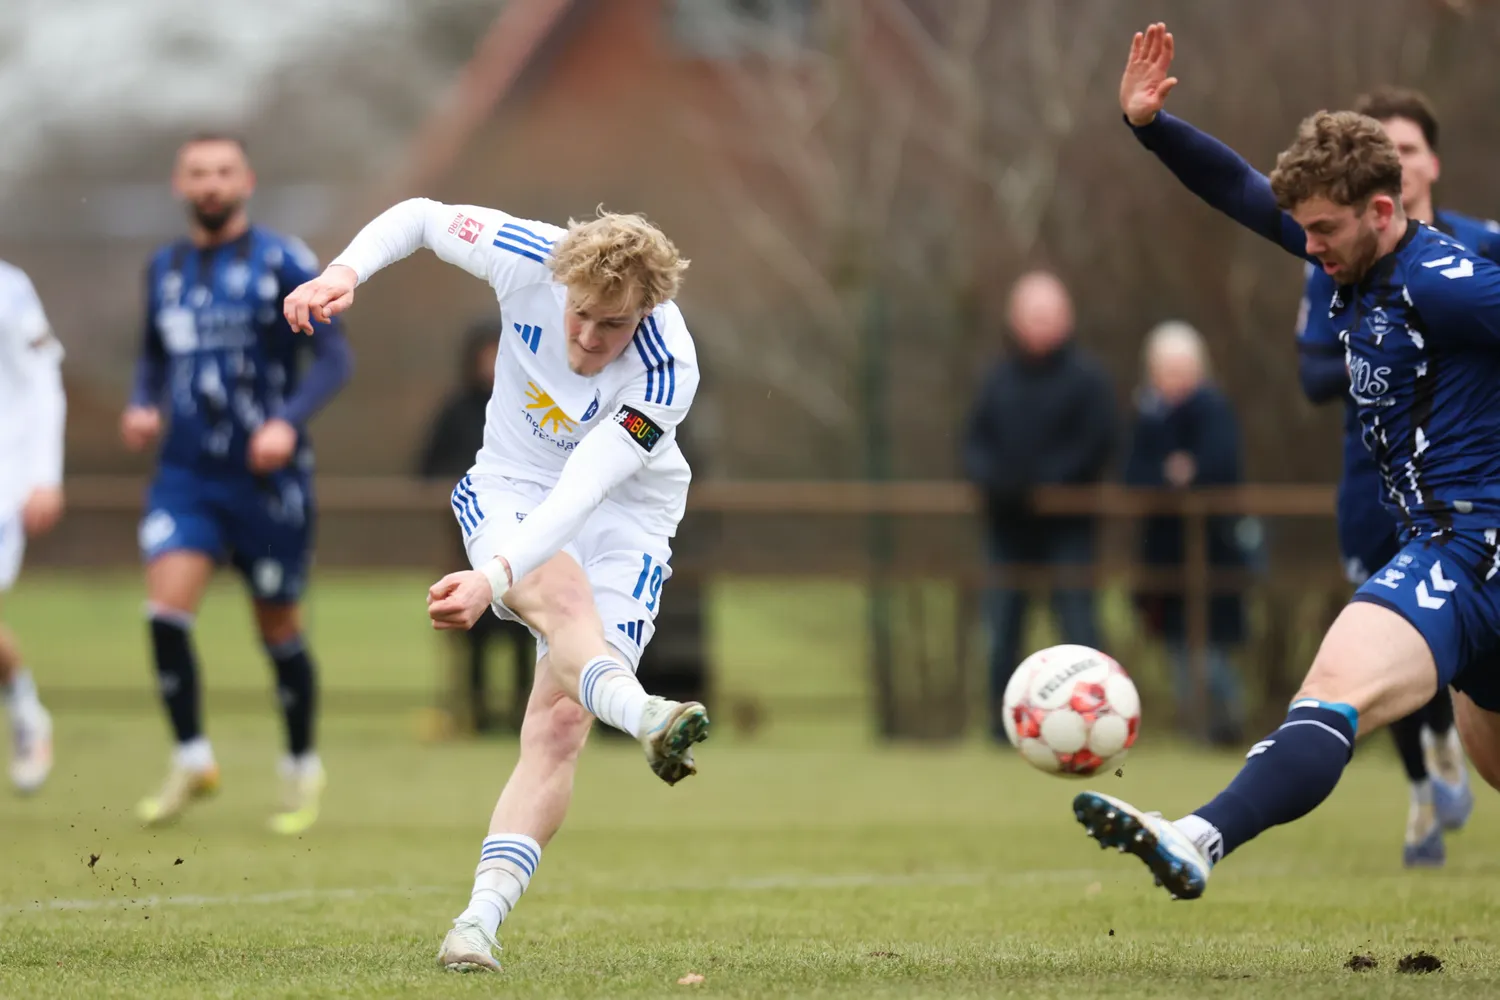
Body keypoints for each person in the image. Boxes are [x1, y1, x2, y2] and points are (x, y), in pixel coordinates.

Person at [1072, 23, 1500, 901]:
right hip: (1455, 550)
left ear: (1383, 212)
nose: (1308, 247)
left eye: (1323, 230)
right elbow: (1235, 188)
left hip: (1468, 548)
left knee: (1331, 690)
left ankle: (1195, 837)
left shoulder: (1445, 281)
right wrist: (1151, 126)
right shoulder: (1359, 263)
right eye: (1302, 228)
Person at [283, 198, 710, 972]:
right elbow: (418, 217)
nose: (586, 338)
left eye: (610, 327)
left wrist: (491, 578)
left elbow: (583, 491)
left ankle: (476, 924)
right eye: (579, 315)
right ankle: (644, 713)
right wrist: (344, 272)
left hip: (627, 512)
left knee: (559, 725)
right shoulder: (530, 254)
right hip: (513, 483)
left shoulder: (667, 369)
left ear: (646, 312)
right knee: (569, 614)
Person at [121, 134, 353, 833]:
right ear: (179, 184)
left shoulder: (284, 261)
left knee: (277, 624)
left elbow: (334, 361)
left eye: (223, 171)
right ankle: (192, 756)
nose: (211, 184)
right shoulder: (164, 268)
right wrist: (142, 402)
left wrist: (285, 422)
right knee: (165, 610)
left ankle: (300, 765)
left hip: (268, 480)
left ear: (246, 179)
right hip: (187, 475)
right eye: (198, 173)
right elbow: (152, 355)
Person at [1296, 86, 1494, 867]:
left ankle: (1445, 756)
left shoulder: (1473, 251)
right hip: (1372, 481)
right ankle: (1423, 781)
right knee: (1376, 642)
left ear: (1430, 162)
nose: (1401, 163)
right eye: (1389, 150)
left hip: (1467, 489)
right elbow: (1313, 375)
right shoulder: (1335, 248)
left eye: (1410, 149)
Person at [962, 271, 1117, 741]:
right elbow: (974, 441)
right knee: (1002, 627)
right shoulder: (997, 379)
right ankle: (1001, 726)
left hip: (1068, 526)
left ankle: (1098, 727)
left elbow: (1097, 443)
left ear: (1065, 320)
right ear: (1015, 321)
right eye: (1032, 316)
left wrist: (1047, 485)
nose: (1040, 326)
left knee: (1078, 626)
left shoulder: (1088, 380)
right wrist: (997, 482)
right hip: (1007, 525)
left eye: (1048, 316)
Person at [1124, 321, 1248, 745]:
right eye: (1166, 370)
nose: (1173, 379)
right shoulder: (1148, 416)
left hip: (1214, 550)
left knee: (1211, 650)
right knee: (1179, 646)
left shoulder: (1214, 410)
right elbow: (1134, 475)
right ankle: (1196, 729)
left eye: (1181, 369)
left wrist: (1185, 473)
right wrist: (1172, 473)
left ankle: (1227, 725)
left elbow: (1219, 469)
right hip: (1163, 553)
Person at [417, 318, 536, 732]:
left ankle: (523, 711)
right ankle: (479, 714)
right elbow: (427, 466)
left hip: (523, 537)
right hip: (467, 542)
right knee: (475, 629)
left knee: (526, 626)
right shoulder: (456, 411)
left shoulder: (528, 405)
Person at [0, 261, 65, 794]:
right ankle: (25, 709)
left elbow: (43, 380)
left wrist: (44, 475)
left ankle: (24, 714)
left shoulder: (10, 286)